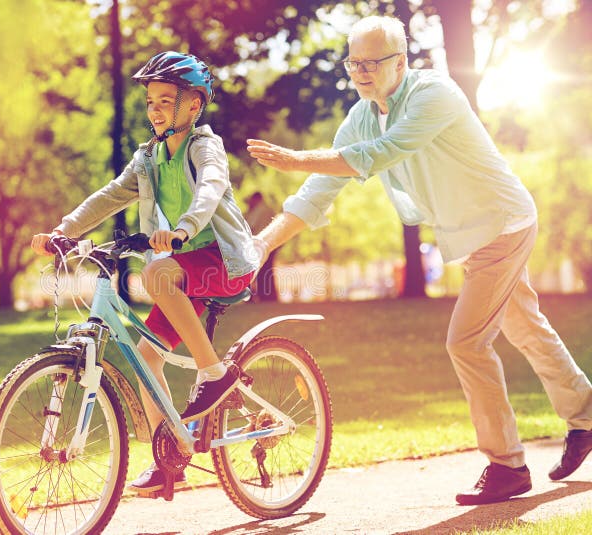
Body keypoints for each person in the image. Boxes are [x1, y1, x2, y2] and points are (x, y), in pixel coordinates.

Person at [246, 15, 592, 506]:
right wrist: (262, 245)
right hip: (472, 236)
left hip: (503, 223)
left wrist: (297, 157)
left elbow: (385, 152)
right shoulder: (363, 114)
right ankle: (586, 416)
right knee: (526, 329)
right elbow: (317, 192)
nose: (360, 72)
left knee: (467, 342)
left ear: (402, 61)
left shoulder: (436, 94)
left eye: (372, 62)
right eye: (354, 62)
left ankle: (507, 465)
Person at [32, 51, 259, 493]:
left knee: (156, 275)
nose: (155, 109)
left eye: (166, 100)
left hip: (223, 261)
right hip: (182, 267)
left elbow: (211, 189)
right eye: (151, 101)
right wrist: (63, 230)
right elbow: (111, 195)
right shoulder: (149, 158)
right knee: (146, 354)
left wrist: (181, 229)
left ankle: (216, 374)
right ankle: (170, 455)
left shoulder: (204, 146)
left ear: (194, 105)